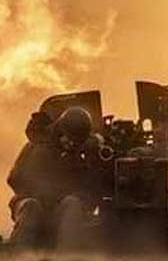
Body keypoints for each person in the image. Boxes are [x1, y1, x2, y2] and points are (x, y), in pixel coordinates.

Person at [5, 107, 98, 249]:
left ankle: (66, 260)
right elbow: (14, 179)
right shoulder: (37, 147)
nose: (71, 144)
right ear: (61, 131)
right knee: (31, 207)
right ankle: (18, 260)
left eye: (76, 142)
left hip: (58, 206)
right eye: (70, 139)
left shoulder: (78, 153)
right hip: (31, 201)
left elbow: (87, 186)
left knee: (72, 204)